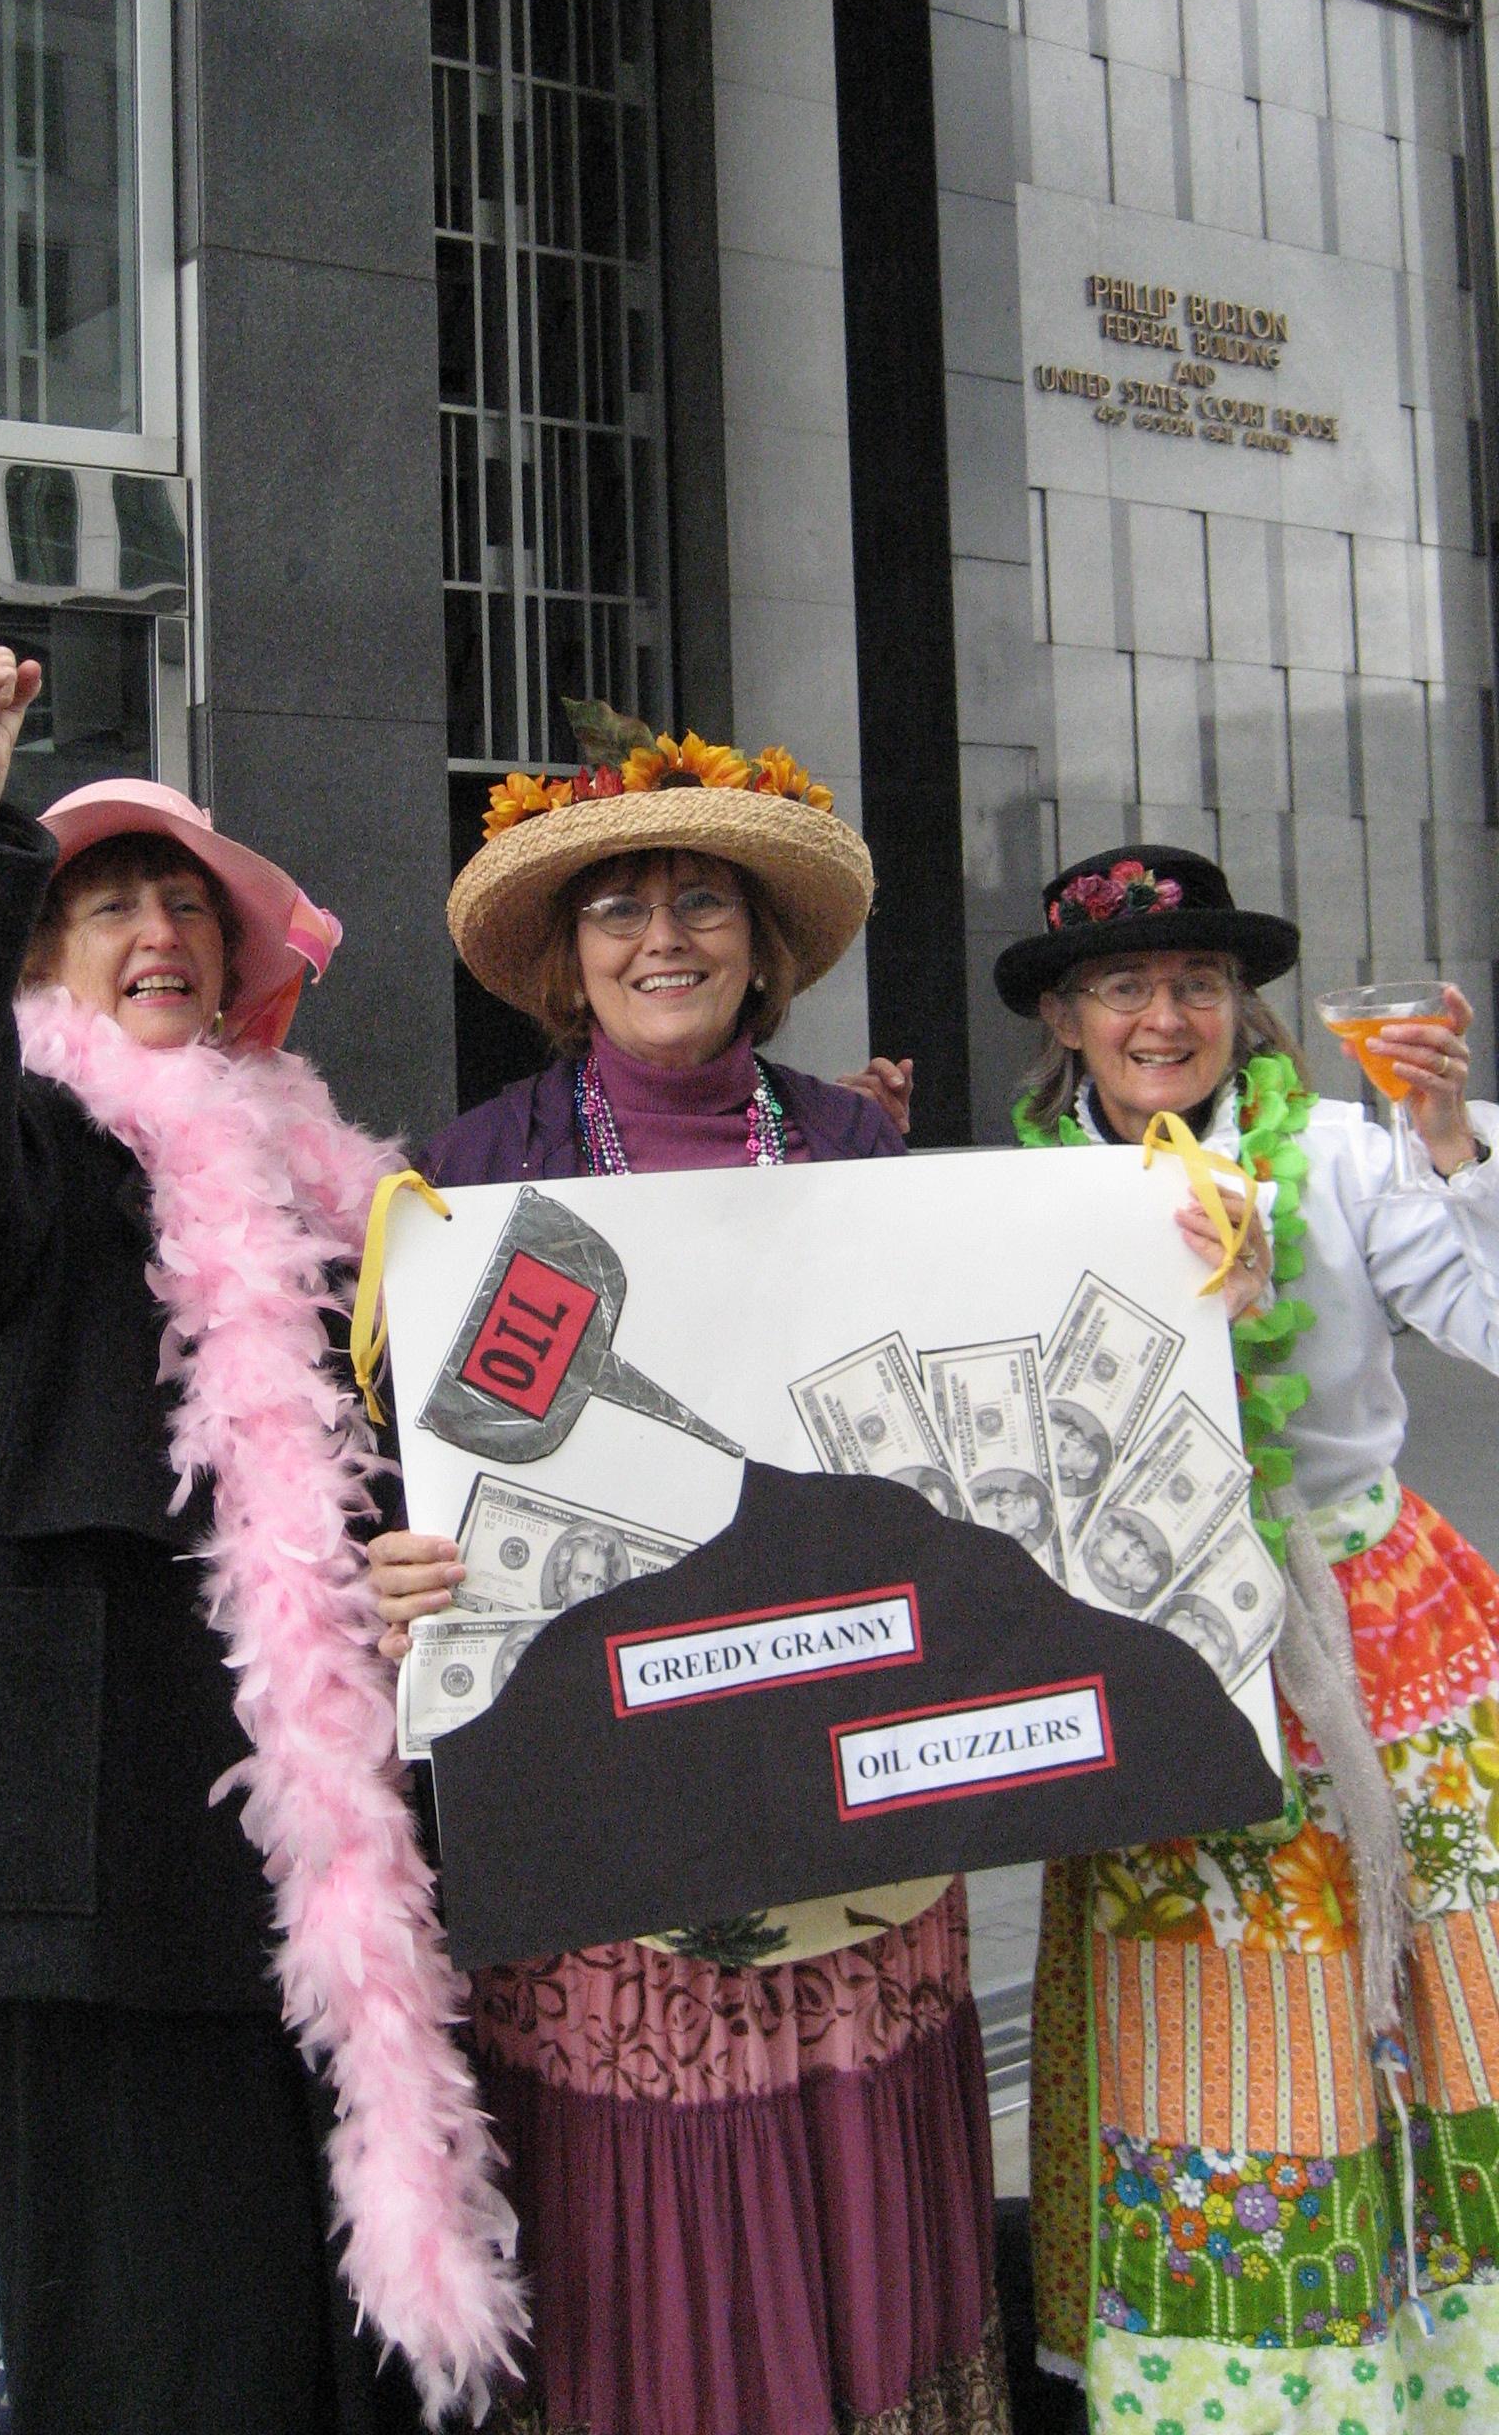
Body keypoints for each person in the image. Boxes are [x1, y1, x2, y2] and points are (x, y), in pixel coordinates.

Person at [371, 720, 1011, 2435]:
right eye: (620, 908)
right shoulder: (471, 1176)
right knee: (657, 2196)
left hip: (849, 1767)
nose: (663, 938)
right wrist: (398, 1565)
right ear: (568, 959)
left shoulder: (857, 1152)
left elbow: (947, 1419)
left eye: (704, 901)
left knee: (849, 2140)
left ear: (763, 942)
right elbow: (408, 1465)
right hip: (608, 1795)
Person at [0, 648, 518, 2435]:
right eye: (108, 902)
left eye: (188, 904)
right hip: (115, 1836)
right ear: (38, 952)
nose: (160, 930)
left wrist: (405, 1559)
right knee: (166, 2327)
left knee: (343, 2297)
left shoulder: (333, 1187)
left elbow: (391, 1458)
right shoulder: (17, 1146)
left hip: (337, 1835)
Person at [997, 841, 1499, 2433]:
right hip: (1165, 1652)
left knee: (1443, 1998)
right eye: (1125, 986)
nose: (1166, 1016)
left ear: (1241, 1005)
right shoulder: (1015, 1201)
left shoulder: (1347, 1156)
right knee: (1210, 2017)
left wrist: (1451, 1146)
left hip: (1376, 1635)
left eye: (1198, 984)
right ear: (1066, 1018)